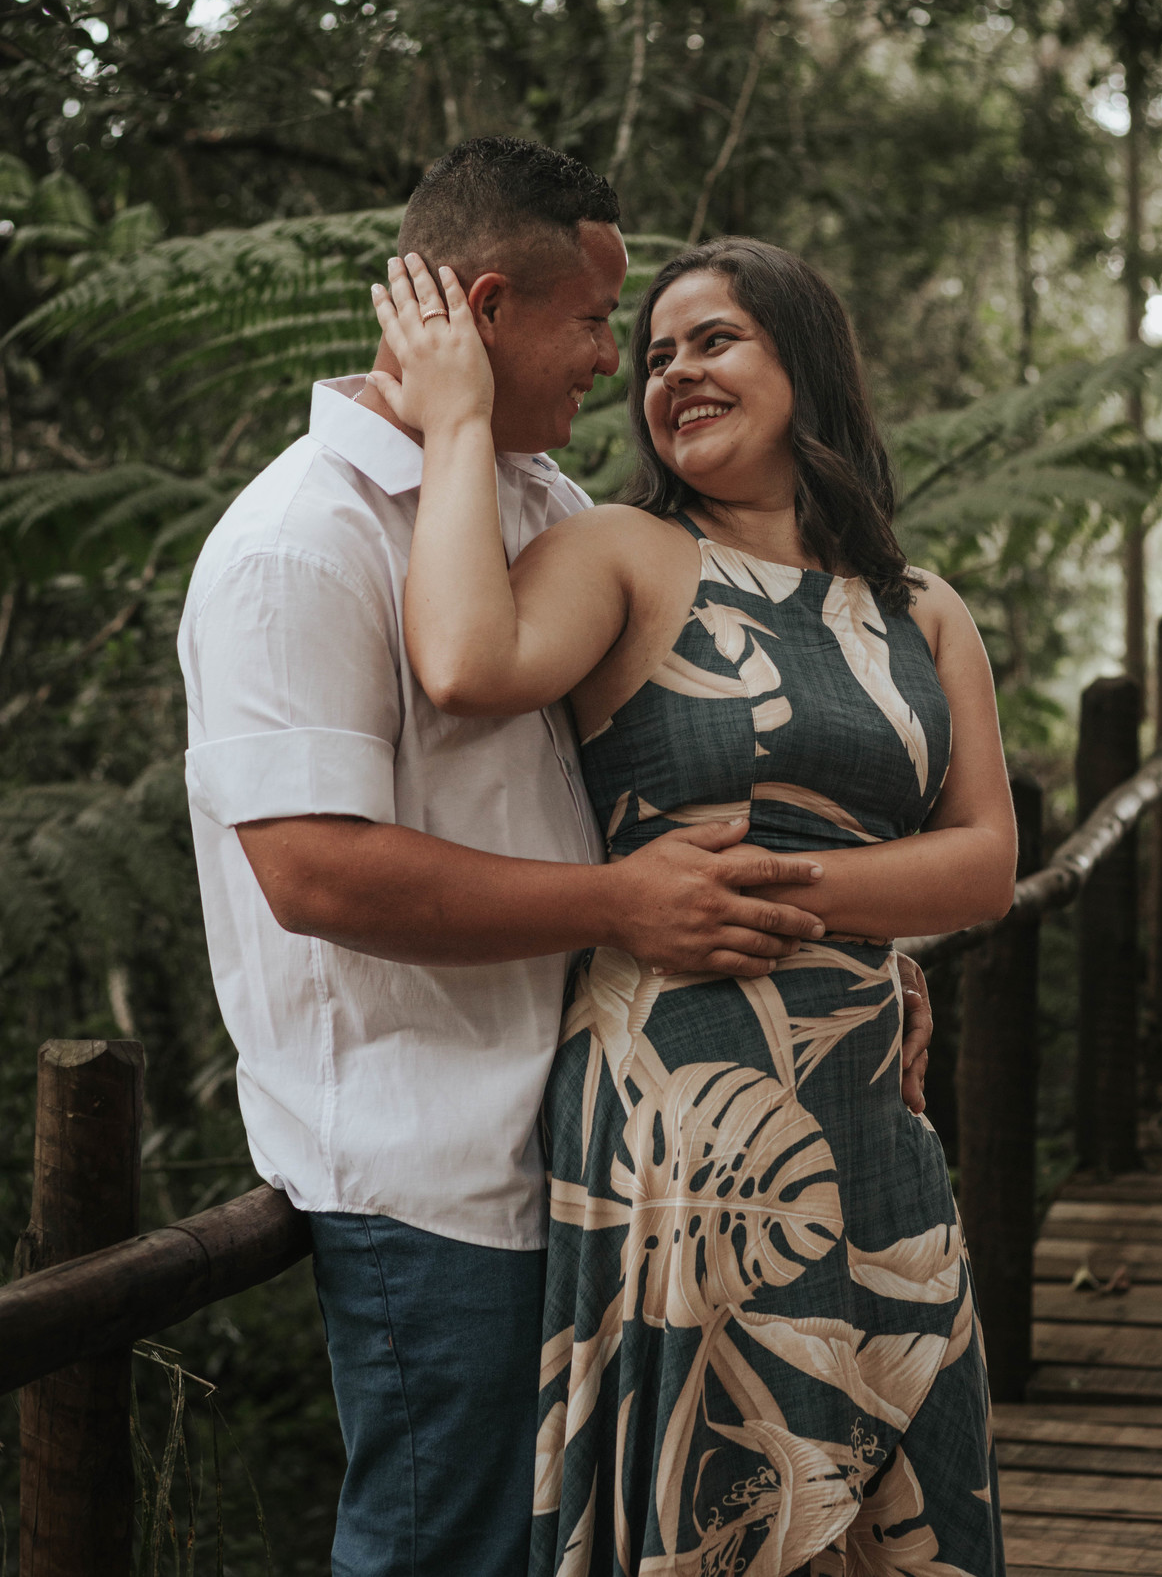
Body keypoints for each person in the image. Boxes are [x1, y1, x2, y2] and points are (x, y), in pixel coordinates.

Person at [178, 139, 934, 1577]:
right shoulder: (298, 545)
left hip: (604, 1148)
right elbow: (314, 873)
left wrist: (843, 957)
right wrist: (620, 906)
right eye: (595, 321)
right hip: (435, 1172)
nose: (610, 360)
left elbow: (668, 786)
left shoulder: (547, 510)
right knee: (446, 1549)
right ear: (482, 309)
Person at [368, 231, 1015, 1575]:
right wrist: (459, 419)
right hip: (680, 1122)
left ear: (805, 363)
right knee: (726, 1492)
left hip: (872, 1113)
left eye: (714, 340)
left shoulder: (922, 609)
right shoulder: (626, 552)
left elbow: (982, 862)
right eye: (655, 356)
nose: (673, 374)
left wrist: (775, 890)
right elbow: (463, 660)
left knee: (908, 1506)